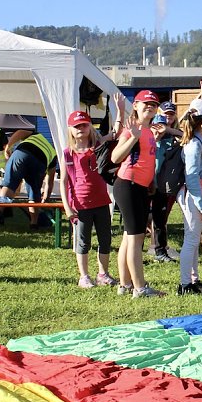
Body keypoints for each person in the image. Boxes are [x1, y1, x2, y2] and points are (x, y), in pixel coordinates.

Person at [111, 90, 165, 298]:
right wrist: (132, 138)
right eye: (145, 103)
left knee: (128, 237)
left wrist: (150, 181)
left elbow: (147, 159)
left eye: (153, 104)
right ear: (136, 105)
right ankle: (140, 288)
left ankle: (124, 285)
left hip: (140, 187)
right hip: (128, 185)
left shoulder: (148, 131)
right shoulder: (132, 129)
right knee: (136, 238)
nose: (150, 107)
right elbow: (116, 157)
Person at [59, 110, 118, 289]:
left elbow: (115, 133)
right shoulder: (68, 153)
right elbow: (63, 182)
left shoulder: (98, 146)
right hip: (81, 205)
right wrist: (67, 207)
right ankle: (84, 276)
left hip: (101, 201)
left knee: (105, 239)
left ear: (90, 127)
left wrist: (120, 112)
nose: (80, 129)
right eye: (76, 126)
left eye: (84, 125)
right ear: (70, 130)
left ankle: (103, 273)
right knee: (83, 241)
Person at [175, 98, 202, 295]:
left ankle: (193, 280)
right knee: (191, 241)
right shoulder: (195, 144)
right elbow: (191, 177)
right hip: (193, 196)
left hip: (196, 195)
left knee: (191, 239)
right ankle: (185, 284)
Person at [0, 131, 58, 229]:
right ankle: (34, 224)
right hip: (40, 162)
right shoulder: (54, 156)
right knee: (34, 193)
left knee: (9, 184)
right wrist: (46, 198)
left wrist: (8, 146)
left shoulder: (38, 135)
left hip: (22, 152)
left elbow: (20, 132)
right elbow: (50, 181)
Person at [148, 101, 182, 264]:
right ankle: (141, 249)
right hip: (146, 184)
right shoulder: (147, 140)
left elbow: (186, 136)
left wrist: (167, 129)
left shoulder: (171, 138)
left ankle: (160, 250)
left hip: (161, 186)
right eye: (157, 126)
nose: (159, 129)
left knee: (160, 220)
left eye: (170, 115)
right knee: (143, 220)